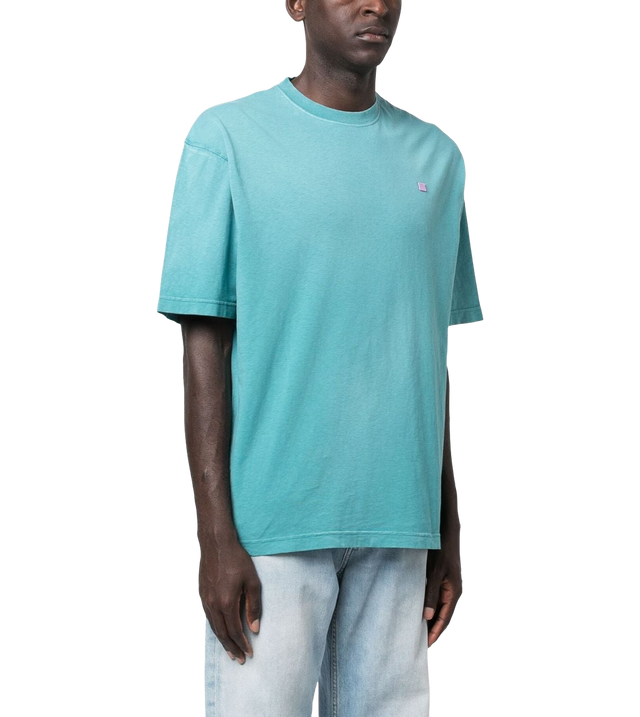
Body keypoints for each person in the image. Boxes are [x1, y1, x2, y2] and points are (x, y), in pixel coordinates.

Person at [154, 1, 485, 714]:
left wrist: (447, 527)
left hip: (400, 524)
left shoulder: (440, 157)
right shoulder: (225, 137)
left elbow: (431, 354)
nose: (376, 5)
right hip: (270, 526)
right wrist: (214, 535)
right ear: (295, 5)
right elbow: (202, 345)